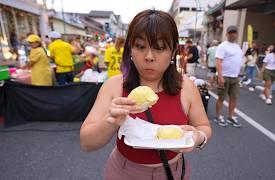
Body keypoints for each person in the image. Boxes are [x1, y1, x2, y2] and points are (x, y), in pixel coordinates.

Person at [80, 9, 212, 180]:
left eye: (160, 48)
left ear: (172, 53)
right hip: (124, 172)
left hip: (173, 171)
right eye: (141, 46)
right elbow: (86, 143)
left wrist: (198, 137)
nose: (149, 56)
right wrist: (110, 121)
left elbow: (204, 126)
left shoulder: (186, 87)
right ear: (130, 49)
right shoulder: (114, 86)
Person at [214, 25, 243, 128]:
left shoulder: (238, 47)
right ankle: (218, 116)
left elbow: (239, 61)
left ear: (237, 34)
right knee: (221, 98)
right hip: (224, 76)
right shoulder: (222, 46)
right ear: (226, 34)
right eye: (230, 32)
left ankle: (230, 117)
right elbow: (218, 61)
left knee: (234, 98)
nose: (233, 34)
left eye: (234, 32)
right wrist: (220, 76)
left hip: (235, 77)